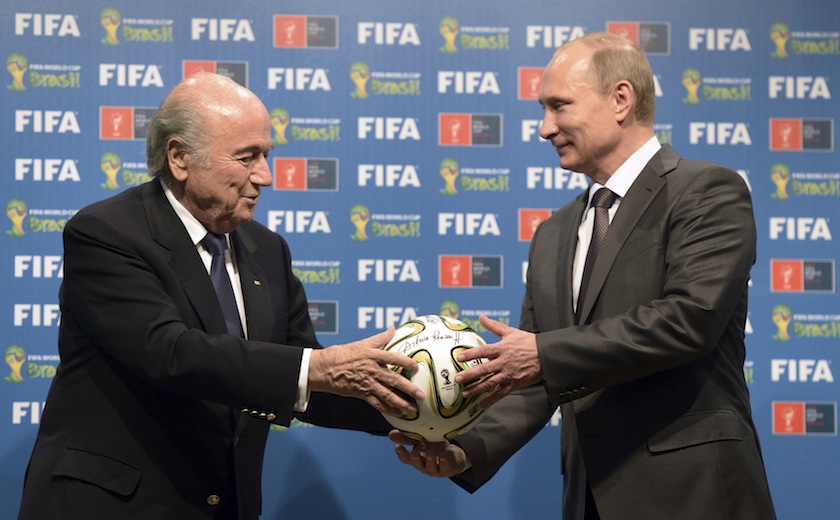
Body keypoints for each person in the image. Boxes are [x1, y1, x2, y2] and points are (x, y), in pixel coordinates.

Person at [390, 32, 776, 520]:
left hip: (693, 493)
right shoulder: (553, 233)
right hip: (588, 499)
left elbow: (689, 319)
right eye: (542, 109)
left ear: (621, 99)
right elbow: (530, 377)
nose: (544, 128)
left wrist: (543, 354)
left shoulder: (706, 191)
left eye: (559, 106)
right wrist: (465, 449)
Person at [18, 72, 424, 520]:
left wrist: (422, 414)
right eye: (246, 157)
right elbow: (170, 353)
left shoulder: (266, 250)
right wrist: (316, 367)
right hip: (112, 506)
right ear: (179, 158)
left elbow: (305, 382)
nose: (265, 177)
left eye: (266, 156)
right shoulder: (107, 233)